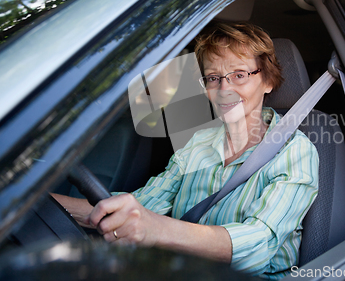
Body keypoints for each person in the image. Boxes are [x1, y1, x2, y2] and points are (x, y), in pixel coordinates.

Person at [53, 22, 319, 279]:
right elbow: (141, 206)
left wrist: (156, 229)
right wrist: (44, 203)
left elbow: (258, 244)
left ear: (268, 80)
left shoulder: (294, 152)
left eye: (239, 75)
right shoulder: (198, 144)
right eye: (213, 78)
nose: (224, 89)